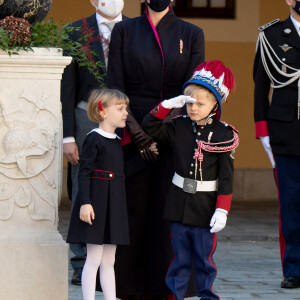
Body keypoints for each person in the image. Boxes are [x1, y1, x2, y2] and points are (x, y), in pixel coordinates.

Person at [107, 0, 205, 297]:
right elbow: (115, 87)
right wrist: (138, 134)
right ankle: (128, 289)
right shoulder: (124, 30)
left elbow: (193, 91)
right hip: (131, 129)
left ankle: (169, 288)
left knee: (169, 213)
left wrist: (163, 132)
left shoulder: (191, 33)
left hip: (173, 134)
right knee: (132, 212)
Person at [142, 60, 239, 300]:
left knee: (205, 261)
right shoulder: (178, 126)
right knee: (179, 259)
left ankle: (207, 297)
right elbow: (150, 126)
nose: (193, 108)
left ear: (216, 103)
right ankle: (176, 296)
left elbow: (226, 176)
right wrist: (166, 106)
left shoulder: (224, 134)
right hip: (178, 205)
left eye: (201, 104)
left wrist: (222, 210)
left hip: (206, 208)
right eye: (189, 103)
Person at [61, 0, 126, 285]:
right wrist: (68, 136)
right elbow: (67, 88)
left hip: (126, 117)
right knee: (83, 186)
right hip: (86, 115)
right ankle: (81, 262)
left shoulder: (137, 29)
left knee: (119, 188)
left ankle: (115, 263)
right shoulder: (75, 31)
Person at [253, 0, 300, 289]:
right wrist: (263, 132)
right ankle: (294, 268)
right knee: (291, 204)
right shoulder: (271, 36)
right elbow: (260, 86)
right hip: (285, 133)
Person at [66, 88, 130, 300]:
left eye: (125, 109)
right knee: (93, 259)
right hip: (97, 206)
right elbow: (84, 172)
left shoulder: (116, 140)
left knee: (109, 260)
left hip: (114, 206)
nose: (125, 113)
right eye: (120, 109)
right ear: (103, 112)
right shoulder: (94, 138)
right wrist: (85, 203)